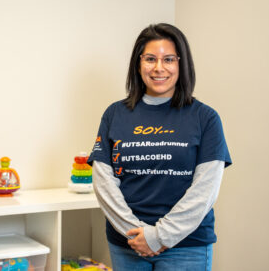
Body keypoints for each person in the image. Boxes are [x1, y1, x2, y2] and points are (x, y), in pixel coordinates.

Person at [87, 23, 232, 271]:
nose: (159, 68)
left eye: (169, 59)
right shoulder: (115, 114)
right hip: (127, 243)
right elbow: (103, 182)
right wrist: (136, 233)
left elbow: (205, 190)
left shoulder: (205, 117)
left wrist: (159, 236)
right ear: (138, 63)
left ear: (181, 64)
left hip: (187, 246)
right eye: (150, 59)